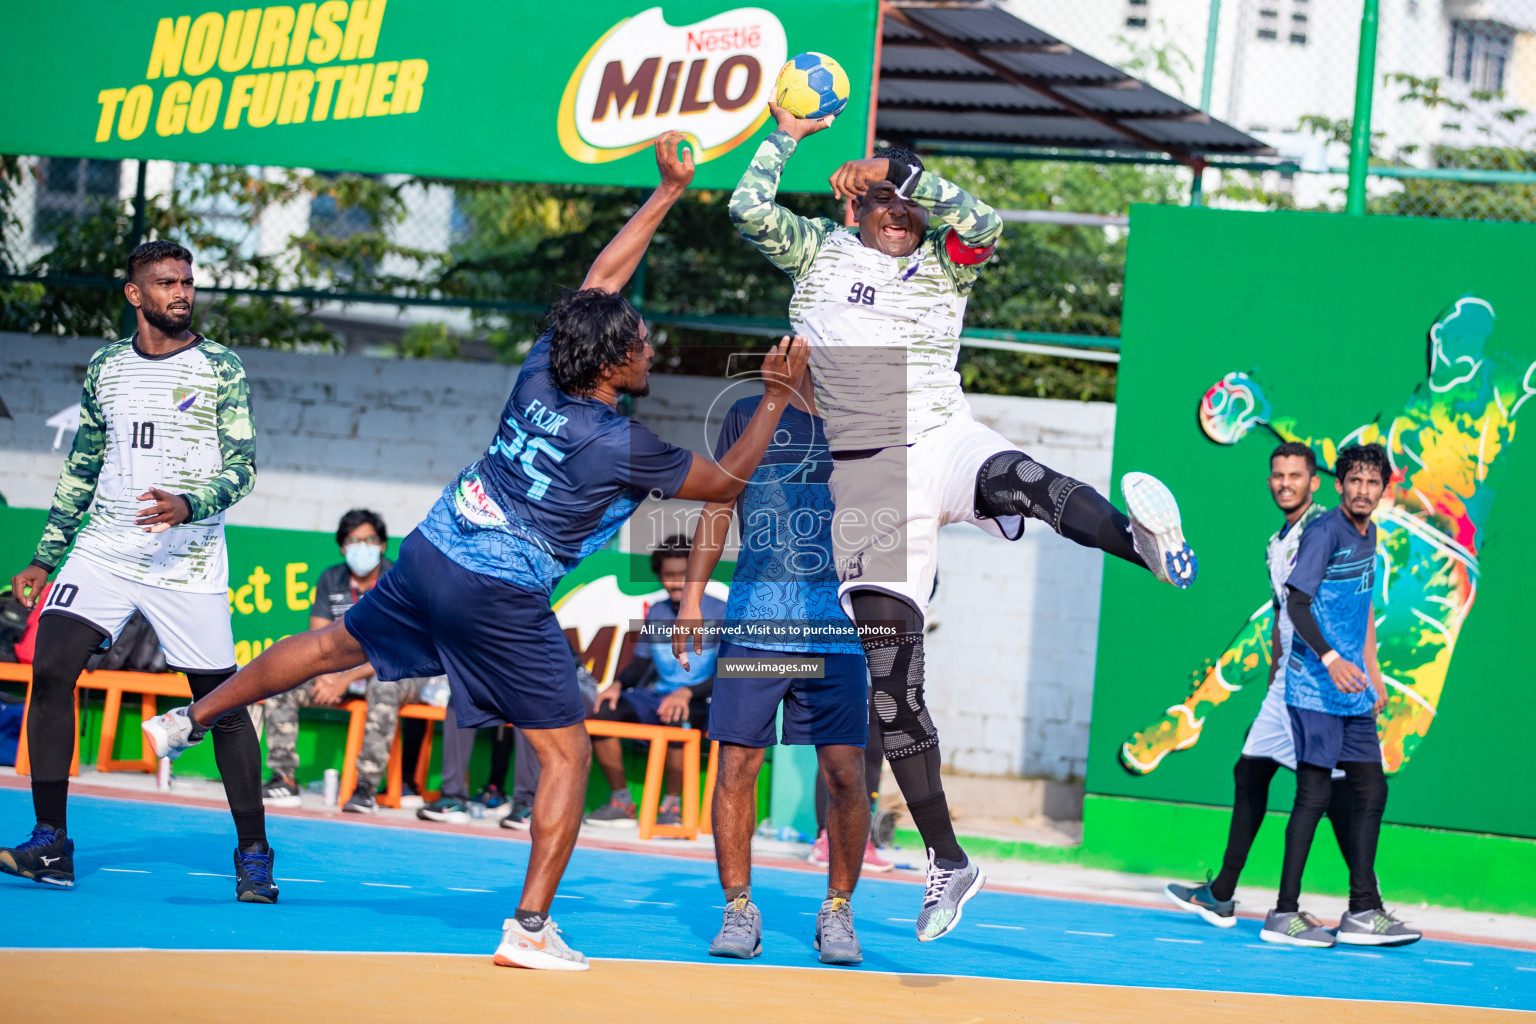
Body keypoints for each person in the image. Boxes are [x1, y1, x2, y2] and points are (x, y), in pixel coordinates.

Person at [144, 131, 811, 972]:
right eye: (641, 339)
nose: (651, 343)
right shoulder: (618, 440)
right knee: (565, 753)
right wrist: (776, 399)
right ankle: (530, 929)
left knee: (330, 644)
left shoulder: (540, 372)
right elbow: (722, 485)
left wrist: (669, 192)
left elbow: (598, 283)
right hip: (497, 592)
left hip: (431, 551)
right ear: (610, 362)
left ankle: (188, 717)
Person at [731, 104, 1197, 941]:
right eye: (887, 208)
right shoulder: (819, 252)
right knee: (893, 686)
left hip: (943, 434)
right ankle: (949, 861)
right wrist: (787, 137)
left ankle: (1145, 547)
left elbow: (985, 220)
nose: (903, 219)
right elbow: (747, 210)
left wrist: (894, 169)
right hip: (870, 477)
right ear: (854, 213)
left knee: (1026, 481)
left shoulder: (951, 262)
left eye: (910, 207)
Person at [2, 240, 275, 902]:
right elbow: (83, 466)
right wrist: (46, 554)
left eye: (187, 282)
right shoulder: (105, 368)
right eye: (166, 283)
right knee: (52, 668)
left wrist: (189, 503)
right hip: (106, 549)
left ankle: (255, 851)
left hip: (187, 560)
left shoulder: (219, 368)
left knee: (225, 706)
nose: (182, 293)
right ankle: (50, 843)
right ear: (135, 294)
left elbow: (243, 467)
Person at [673, 371, 873, 965]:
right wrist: (690, 599)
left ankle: (837, 911)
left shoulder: (868, 416)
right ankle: (738, 910)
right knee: (737, 765)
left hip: (838, 627)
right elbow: (720, 501)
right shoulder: (748, 411)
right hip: (756, 620)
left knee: (845, 774)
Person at [1165, 442, 1377, 926]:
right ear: (1270, 481)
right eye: (1278, 475)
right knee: (1257, 773)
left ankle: (1359, 899)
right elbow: (1285, 612)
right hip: (1290, 676)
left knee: (1328, 787)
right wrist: (1274, 676)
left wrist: (1369, 670)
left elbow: (1354, 607)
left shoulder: (1325, 530)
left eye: (1295, 476)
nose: (1286, 483)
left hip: (1320, 676)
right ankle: (1223, 893)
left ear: (1314, 481)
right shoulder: (1276, 542)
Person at [1260, 443, 1420, 948]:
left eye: (1373, 483)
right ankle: (1284, 913)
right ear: (1339, 484)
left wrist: (1370, 672)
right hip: (1313, 687)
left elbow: (1360, 609)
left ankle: (1361, 912)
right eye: (1355, 481)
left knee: (1372, 792)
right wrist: (1331, 658)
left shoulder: (1370, 534)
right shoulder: (1324, 531)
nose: (1363, 490)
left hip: (1352, 692)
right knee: (1314, 795)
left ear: (1382, 490)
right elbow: (1297, 603)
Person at [260, 507, 425, 812]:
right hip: (339, 672)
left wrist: (344, 678)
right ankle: (284, 779)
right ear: (341, 546)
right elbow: (317, 641)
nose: (362, 547)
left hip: (398, 670)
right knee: (283, 682)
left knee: (384, 686)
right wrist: (325, 676)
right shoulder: (332, 579)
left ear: (383, 545)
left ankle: (366, 789)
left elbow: (395, 650)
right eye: (354, 540)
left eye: (370, 540)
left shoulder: (398, 580)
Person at [585, 536, 721, 828]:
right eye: (669, 576)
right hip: (660, 696)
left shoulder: (721, 611)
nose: (675, 583)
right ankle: (621, 801)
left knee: (675, 714)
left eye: (683, 575)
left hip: (704, 702)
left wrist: (687, 692)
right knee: (603, 710)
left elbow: (727, 672)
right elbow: (640, 665)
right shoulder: (657, 612)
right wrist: (617, 685)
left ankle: (672, 807)